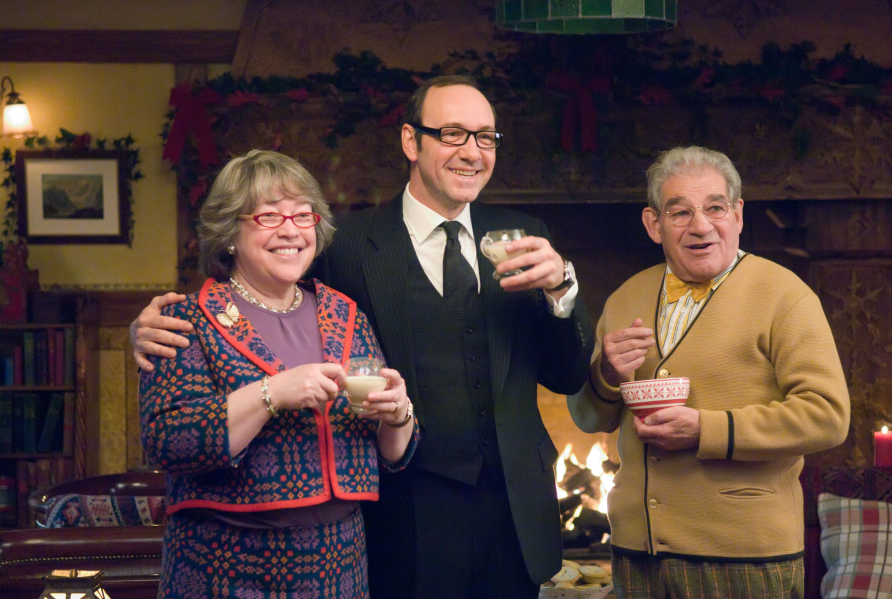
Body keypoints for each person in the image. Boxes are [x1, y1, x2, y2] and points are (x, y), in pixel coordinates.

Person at [132, 75, 594, 599]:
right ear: (410, 141)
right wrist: (148, 327)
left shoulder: (527, 236)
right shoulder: (344, 244)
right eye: (453, 134)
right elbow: (260, 293)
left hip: (514, 514)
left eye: (486, 137)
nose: (472, 151)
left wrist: (562, 289)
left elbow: (567, 374)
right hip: (401, 517)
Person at [568, 146, 850, 599]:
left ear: (737, 215)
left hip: (744, 557)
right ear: (653, 224)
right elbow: (587, 418)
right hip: (636, 556)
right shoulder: (625, 297)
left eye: (715, 208)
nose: (701, 226)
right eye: (680, 212)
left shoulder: (786, 296)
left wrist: (707, 429)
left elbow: (828, 416)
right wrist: (606, 374)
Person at [139, 149, 418, 599]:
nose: (290, 230)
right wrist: (271, 393)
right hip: (224, 568)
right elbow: (168, 442)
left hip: (340, 566)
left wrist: (398, 414)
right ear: (230, 233)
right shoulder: (186, 321)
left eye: (303, 215)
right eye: (269, 216)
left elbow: (394, 453)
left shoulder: (345, 314)